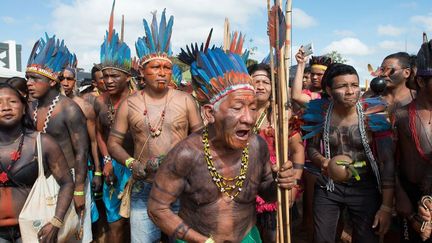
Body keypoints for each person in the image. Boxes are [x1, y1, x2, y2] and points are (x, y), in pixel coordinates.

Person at [147, 43, 297, 242]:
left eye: (252, 108)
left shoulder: (257, 146)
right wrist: (203, 241)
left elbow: (267, 193)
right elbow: (157, 209)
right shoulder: (186, 154)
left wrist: (279, 183)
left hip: (246, 237)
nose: (249, 119)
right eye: (237, 108)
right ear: (210, 113)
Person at [107, 10, 203, 242]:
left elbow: (201, 137)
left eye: (166, 68)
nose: (162, 73)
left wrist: (181, 159)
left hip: (182, 186)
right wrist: (132, 163)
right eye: (155, 68)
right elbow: (113, 143)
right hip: (145, 188)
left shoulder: (185, 100)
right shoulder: (129, 104)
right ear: (142, 71)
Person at [302, 63, 395, 243]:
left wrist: (386, 206)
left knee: (367, 238)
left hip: (365, 187)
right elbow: (311, 148)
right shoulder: (319, 112)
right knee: (322, 238)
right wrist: (323, 162)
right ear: (329, 90)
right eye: (342, 86)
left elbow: (387, 161)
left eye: (354, 85)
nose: (351, 91)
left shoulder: (373, 114)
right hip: (328, 186)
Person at [0, 82, 74, 243]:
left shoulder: (42, 142)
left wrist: (56, 221)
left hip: (32, 230)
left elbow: (67, 182)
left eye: (12, 101)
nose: (5, 107)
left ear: (23, 106)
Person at [26, 34, 89, 220]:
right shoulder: (30, 108)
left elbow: (81, 152)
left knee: (71, 233)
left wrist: (78, 190)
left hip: (69, 179)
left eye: (35, 79)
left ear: (52, 81)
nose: (29, 83)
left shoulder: (69, 109)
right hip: (41, 180)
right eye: (27, 78)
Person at [248, 62, 305, 243]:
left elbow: (297, 150)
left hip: (275, 181)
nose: (260, 86)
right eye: (255, 81)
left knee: (274, 236)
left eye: (265, 81)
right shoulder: (237, 112)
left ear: (273, 87)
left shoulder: (283, 115)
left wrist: (293, 186)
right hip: (245, 182)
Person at [93, 9, 134, 242]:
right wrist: (107, 159)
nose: (108, 81)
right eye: (105, 76)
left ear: (127, 77)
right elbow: (99, 132)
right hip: (113, 168)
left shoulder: (139, 102)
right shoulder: (99, 102)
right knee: (114, 222)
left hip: (136, 165)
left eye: (114, 76)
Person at [393, 36, 432, 243]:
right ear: (421, 81)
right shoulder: (400, 116)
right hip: (411, 194)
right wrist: (399, 194)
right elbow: (389, 159)